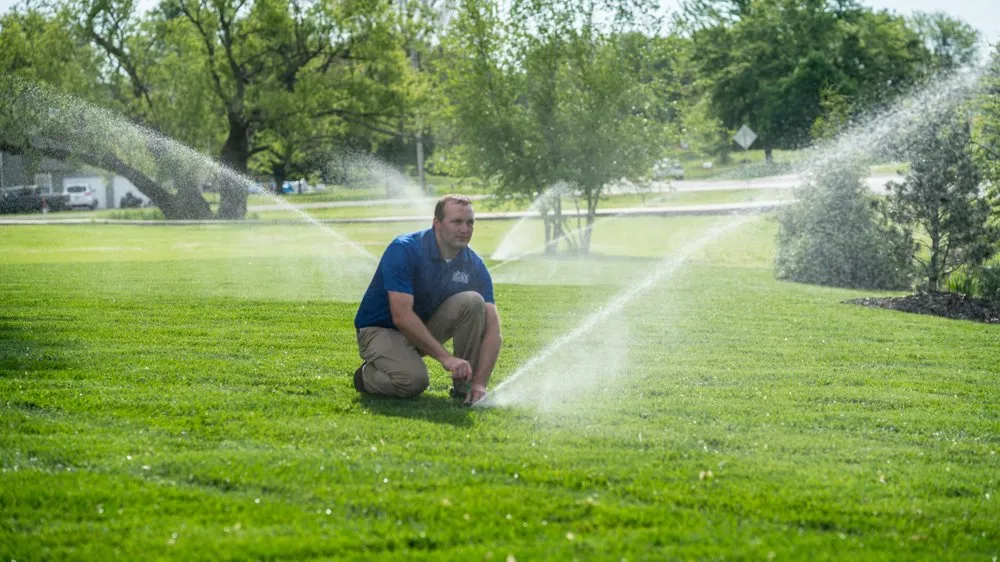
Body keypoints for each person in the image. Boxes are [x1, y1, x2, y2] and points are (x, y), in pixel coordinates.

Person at [353, 194, 502, 406]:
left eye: (470, 222)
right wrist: (446, 358)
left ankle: (464, 389)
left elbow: (493, 331)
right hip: (380, 329)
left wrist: (480, 383)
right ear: (437, 223)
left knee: (473, 301)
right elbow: (401, 315)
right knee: (413, 382)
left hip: (421, 328)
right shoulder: (404, 248)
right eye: (457, 222)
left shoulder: (473, 264)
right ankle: (365, 376)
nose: (465, 229)